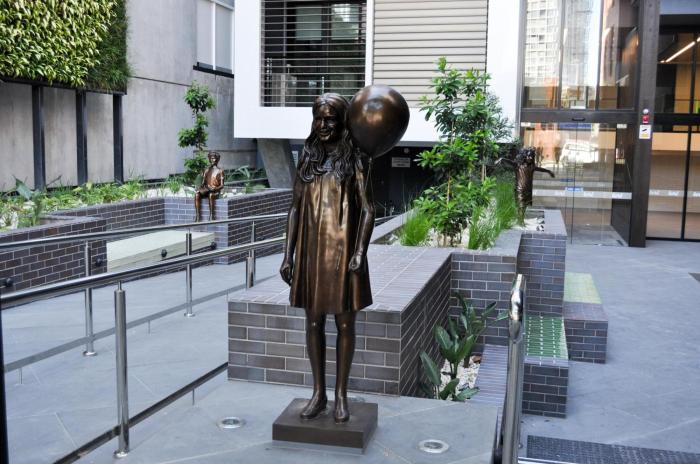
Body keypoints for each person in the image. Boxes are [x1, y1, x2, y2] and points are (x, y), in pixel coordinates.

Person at [279, 93, 375, 423]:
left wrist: (360, 251)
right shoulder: (308, 158)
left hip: (344, 253)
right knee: (313, 322)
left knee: (345, 323)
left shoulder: (356, 160)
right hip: (311, 252)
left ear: (343, 122)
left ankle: (341, 396)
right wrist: (288, 255)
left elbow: (368, 210)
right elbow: (294, 208)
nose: (322, 125)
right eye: (318, 118)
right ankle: (318, 393)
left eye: (330, 119)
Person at [496, 147, 555, 217]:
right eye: (528, 156)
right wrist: (502, 159)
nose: (530, 158)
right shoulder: (518, 165)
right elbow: (510, 162)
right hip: (520, 190)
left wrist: (549, 171)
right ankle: (520, 220)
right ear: (524, 156)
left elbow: (540, 169)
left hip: (528, 191)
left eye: (531, 156)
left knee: (526, 207)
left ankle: (522, 218)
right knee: (521, 206)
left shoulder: (532, 167)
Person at [194, 151, 225, 222]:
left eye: (214, 158)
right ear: (209, 159)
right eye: (211, 158)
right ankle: (197, 216)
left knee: (211, 195)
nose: (213, 160)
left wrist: (215, 188)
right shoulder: (206, 170)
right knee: (197, 194)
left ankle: (211, 216)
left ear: (217, 159)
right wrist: (200, 188)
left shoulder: (220, 171)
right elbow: (203, 183)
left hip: (215, 191)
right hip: (207, 189)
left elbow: (222, 185)